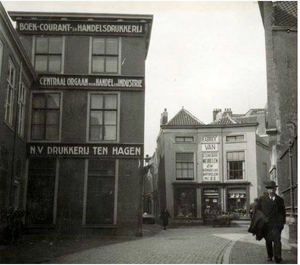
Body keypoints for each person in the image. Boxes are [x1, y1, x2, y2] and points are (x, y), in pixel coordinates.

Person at [256, 181, 286, 263]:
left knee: (277, 240)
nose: (271, 191)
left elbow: (283, 212)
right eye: (269, 189)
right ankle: (270, 255)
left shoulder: (280, 200)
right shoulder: (262, 199)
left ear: (275, 189)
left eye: (273, 189)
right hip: (266, 225)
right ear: (267, 190)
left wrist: (282, 223)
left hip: (277, 224)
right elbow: (258, 211)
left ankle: (278, 257)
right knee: (268, 241)